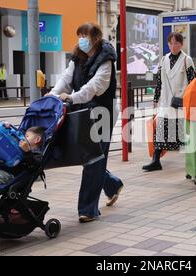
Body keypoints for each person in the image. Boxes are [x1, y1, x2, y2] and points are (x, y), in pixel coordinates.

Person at [48, 23, 123, 223]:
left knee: (94, 159)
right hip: (82, 111)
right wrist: (53, 94)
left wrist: (72, 98)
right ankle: (112, 185)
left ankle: (88, 209)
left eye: (85, 35)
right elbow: (66, 78)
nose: (81, 39)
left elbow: (95, 87)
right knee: (88, 156)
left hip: (101, 112)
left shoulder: (106, 60)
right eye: (79, 34)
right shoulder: (78, 57)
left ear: (96, 38)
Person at [142, 32, 196, 172]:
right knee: (160, 130)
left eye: (176, 43)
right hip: (166, 101)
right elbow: (159, 81)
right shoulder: (163, 59)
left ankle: (194, 161)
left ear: (181, 44)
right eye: (171, 43)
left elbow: (193, 82)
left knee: (182, 134)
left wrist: (190, 100)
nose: (173, 46)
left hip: (180, 102)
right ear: (168, 44)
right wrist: (155, 98)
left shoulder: (187, 60)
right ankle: (155, 160)